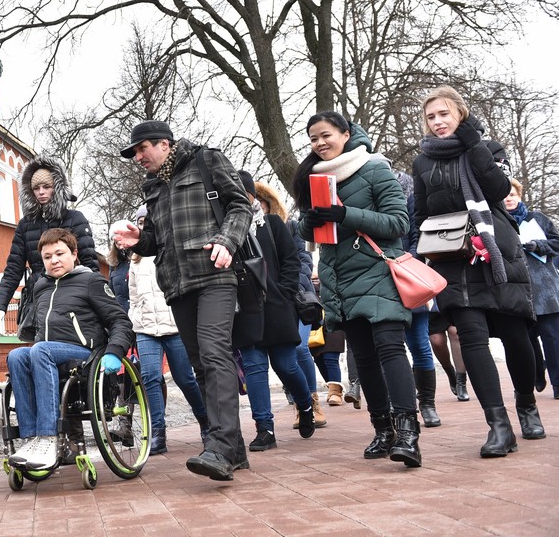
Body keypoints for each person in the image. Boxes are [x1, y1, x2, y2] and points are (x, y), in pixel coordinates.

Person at [112, 120, 254, 482]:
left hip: (215, 275)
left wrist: (227, 240)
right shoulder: (152, 186)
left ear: (163, 144)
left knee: (214, 353)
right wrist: (138, 239)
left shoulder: (206, 161)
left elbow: (240, 206)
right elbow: (156, 241)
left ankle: (219, 446)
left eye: (142, 149)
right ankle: (234, 451)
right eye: (135, 153)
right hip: (176, 284)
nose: (138, 158)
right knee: (201, 366)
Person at [412, 86, 540, 457]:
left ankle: (527, 405)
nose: (437, 122)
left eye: (444, 114)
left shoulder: (489, 148)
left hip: (496, 251)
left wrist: (474, 145)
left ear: (461, 114)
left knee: (516, 336)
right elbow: (420, 212)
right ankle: (499, 426)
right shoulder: (422, 161)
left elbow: (499, 189)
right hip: (452, 258)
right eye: (431, 116)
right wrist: (420, 252)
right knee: (471, 338)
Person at [294, 112, 421, 468]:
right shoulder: (316, 179)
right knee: (363, 357)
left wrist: (343, 213)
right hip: (341, 279)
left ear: (346, 134)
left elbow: (398, 222)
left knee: (390, 348)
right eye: (313, 138)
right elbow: (309, 233)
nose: (319, 143)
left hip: (378, 270)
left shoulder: (374, 169)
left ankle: (409, 433)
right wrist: (311, 221)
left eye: (326, 135)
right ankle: (383, 429)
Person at [6, 228, 134, 470]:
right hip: (46, 354)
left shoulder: (91, 281)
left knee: (38, 350)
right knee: (16, 355)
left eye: (59, 253)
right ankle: (31, 438)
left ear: (74, 254)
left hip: (85, 356)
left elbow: (120, 321)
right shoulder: (40, 286)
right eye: (47, 256)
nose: (54, 260)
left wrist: (115, 351)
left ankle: (48, 437)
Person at [236, 171, 316, 452]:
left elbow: (291, 260)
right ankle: (264, 428)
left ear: (251, 197)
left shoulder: (271, 224)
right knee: (255, 369)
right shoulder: (226, 232)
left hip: (277, 306)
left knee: (286, 366)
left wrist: (283, 290)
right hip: (245, 311)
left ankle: (306, 405)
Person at [126, 211, 209, 455]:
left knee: (185, 378)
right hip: (146, 329)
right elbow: (132, 294)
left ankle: (205, 421)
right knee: (150, 378)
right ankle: (158, 432)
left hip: (174, 326)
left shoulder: (171, 251)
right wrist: (134, 317)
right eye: (139, 224)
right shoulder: (135, 259)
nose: (143, 227)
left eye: (146, 223)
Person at [0, 155, 97, 338]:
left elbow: (90, 264)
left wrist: (98, 302)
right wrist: (0, 306)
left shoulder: (75, 219)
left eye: (46, 187)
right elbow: (14, 268)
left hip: (73, 294)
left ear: (57, 187)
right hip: (40, 296)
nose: (41, 192)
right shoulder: (26, 225)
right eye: (36, 188)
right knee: (40, 350)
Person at [503, 179, 559, 400]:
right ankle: (537, 375)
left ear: (519, 196)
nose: (509, 198)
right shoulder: (499, 222)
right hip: (518, 291)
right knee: (527, 340)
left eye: (512, 194)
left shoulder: (538, 219)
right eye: (505, 195)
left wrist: (538, 245)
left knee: (552, 338)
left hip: (546, 290)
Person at [396, 169, 443, 428]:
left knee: (420, 347)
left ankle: (427, 404)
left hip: (411, 278)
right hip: (381, 282)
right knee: (392, 349)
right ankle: (402, 407)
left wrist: (406, 261)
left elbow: (419, 237)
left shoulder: (411, 198)